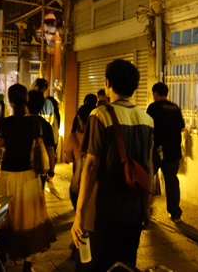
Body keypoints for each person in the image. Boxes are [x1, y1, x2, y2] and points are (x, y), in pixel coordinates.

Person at [71, 59, 154, 272]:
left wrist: (79, 213)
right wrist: (146, 209)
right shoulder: (146, 119)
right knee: (124, 267)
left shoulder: (100, 115)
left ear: (107, 83)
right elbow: (148, 167)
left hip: (102, 214)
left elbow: (91, 165)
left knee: (93, 266)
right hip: (132, 213)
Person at [0, 85, 56, 272]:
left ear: (10, 101)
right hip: (30, 177)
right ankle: (28, 263)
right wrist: (51, 169)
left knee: (8, 216)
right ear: (26, 99)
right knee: (30, 217)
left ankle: (4, 254)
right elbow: (49, 148)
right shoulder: (38, 123)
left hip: (7, 176)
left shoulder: (4, 123)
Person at [146, 82, 185, 223]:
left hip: (158, 150)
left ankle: (145, 210)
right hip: (174, 151)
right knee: (172, 181)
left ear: (155, 93)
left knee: (147, 178)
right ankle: (175, 214)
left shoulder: (153, 107)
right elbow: (182, 128)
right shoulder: (175, 108)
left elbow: (147, 127)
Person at [64, 103, 94, 211]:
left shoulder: (73, 137)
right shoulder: (100, 136)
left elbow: (68, 159)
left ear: (79, 118)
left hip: (80, 184)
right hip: (98, 184)